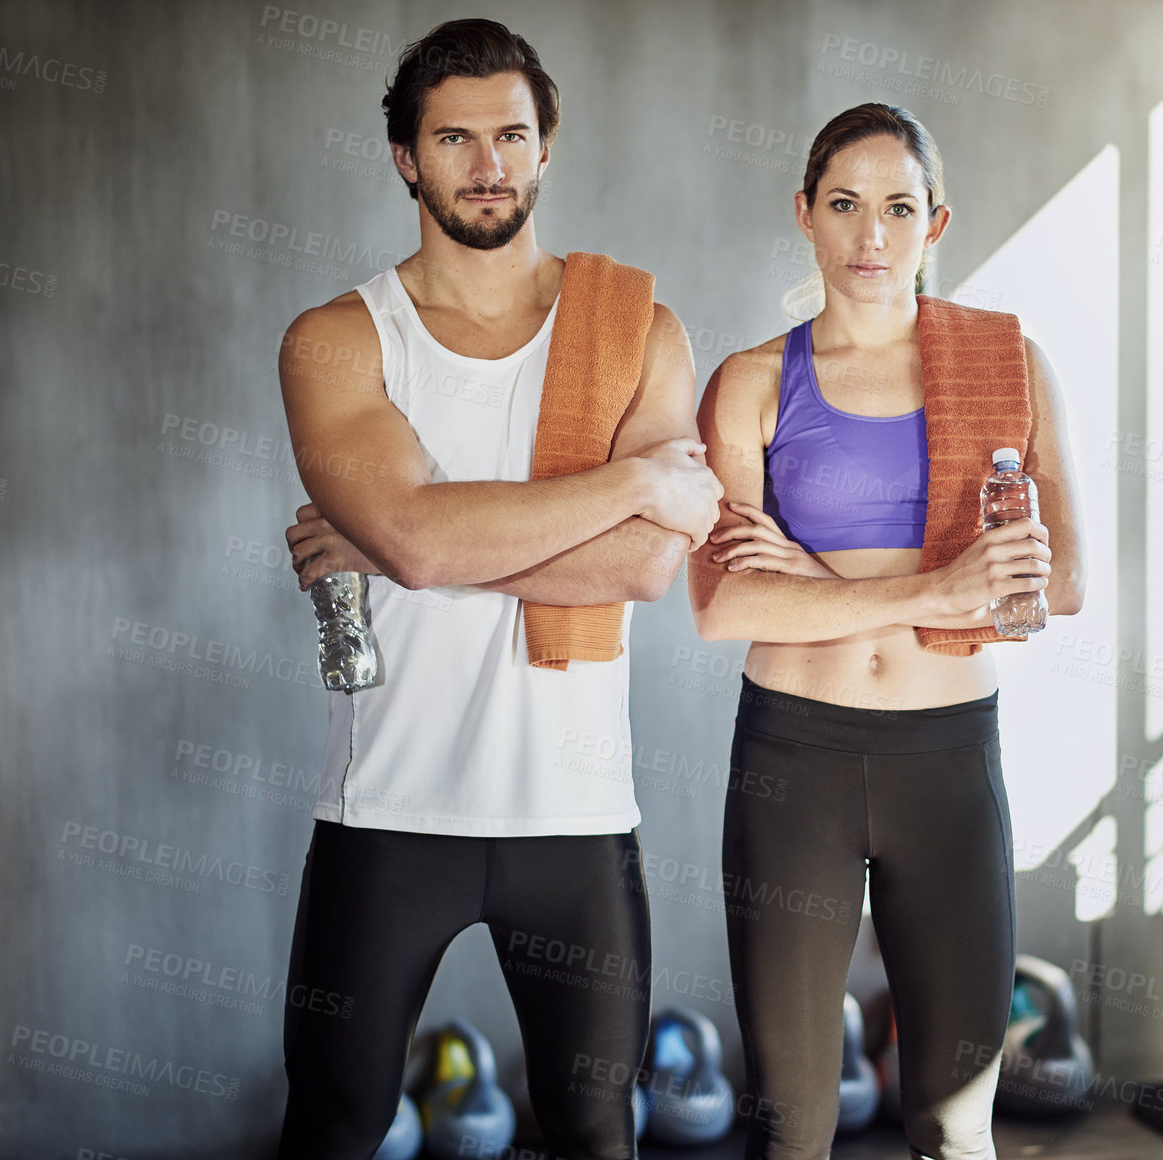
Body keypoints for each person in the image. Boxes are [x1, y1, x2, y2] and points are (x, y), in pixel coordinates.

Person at [273, 19, 722, 1159]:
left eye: (511, 135)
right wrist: (626, 482)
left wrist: (403, 544)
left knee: (593, 1132)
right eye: (455, 138)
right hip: (388, 813)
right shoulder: (335, 341)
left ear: (545, 146)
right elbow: (425, 543)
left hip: (574, 817)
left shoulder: (640, 331)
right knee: (333, 1127)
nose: (488, 164)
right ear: (404, 158)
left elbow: (646, 564)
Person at [688, 103, 1087, 1160]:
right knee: (791, 1125)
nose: (871, 236)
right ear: (805, 218)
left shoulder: (1011, 368)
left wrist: (816, 580)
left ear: (935, 222)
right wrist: (935, 588)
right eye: (845, 205)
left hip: (948, 766)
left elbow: (1068, 581)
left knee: (955, 1129)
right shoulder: (750, 384)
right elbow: (724, 602)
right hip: (793, 763)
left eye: (897, 207)